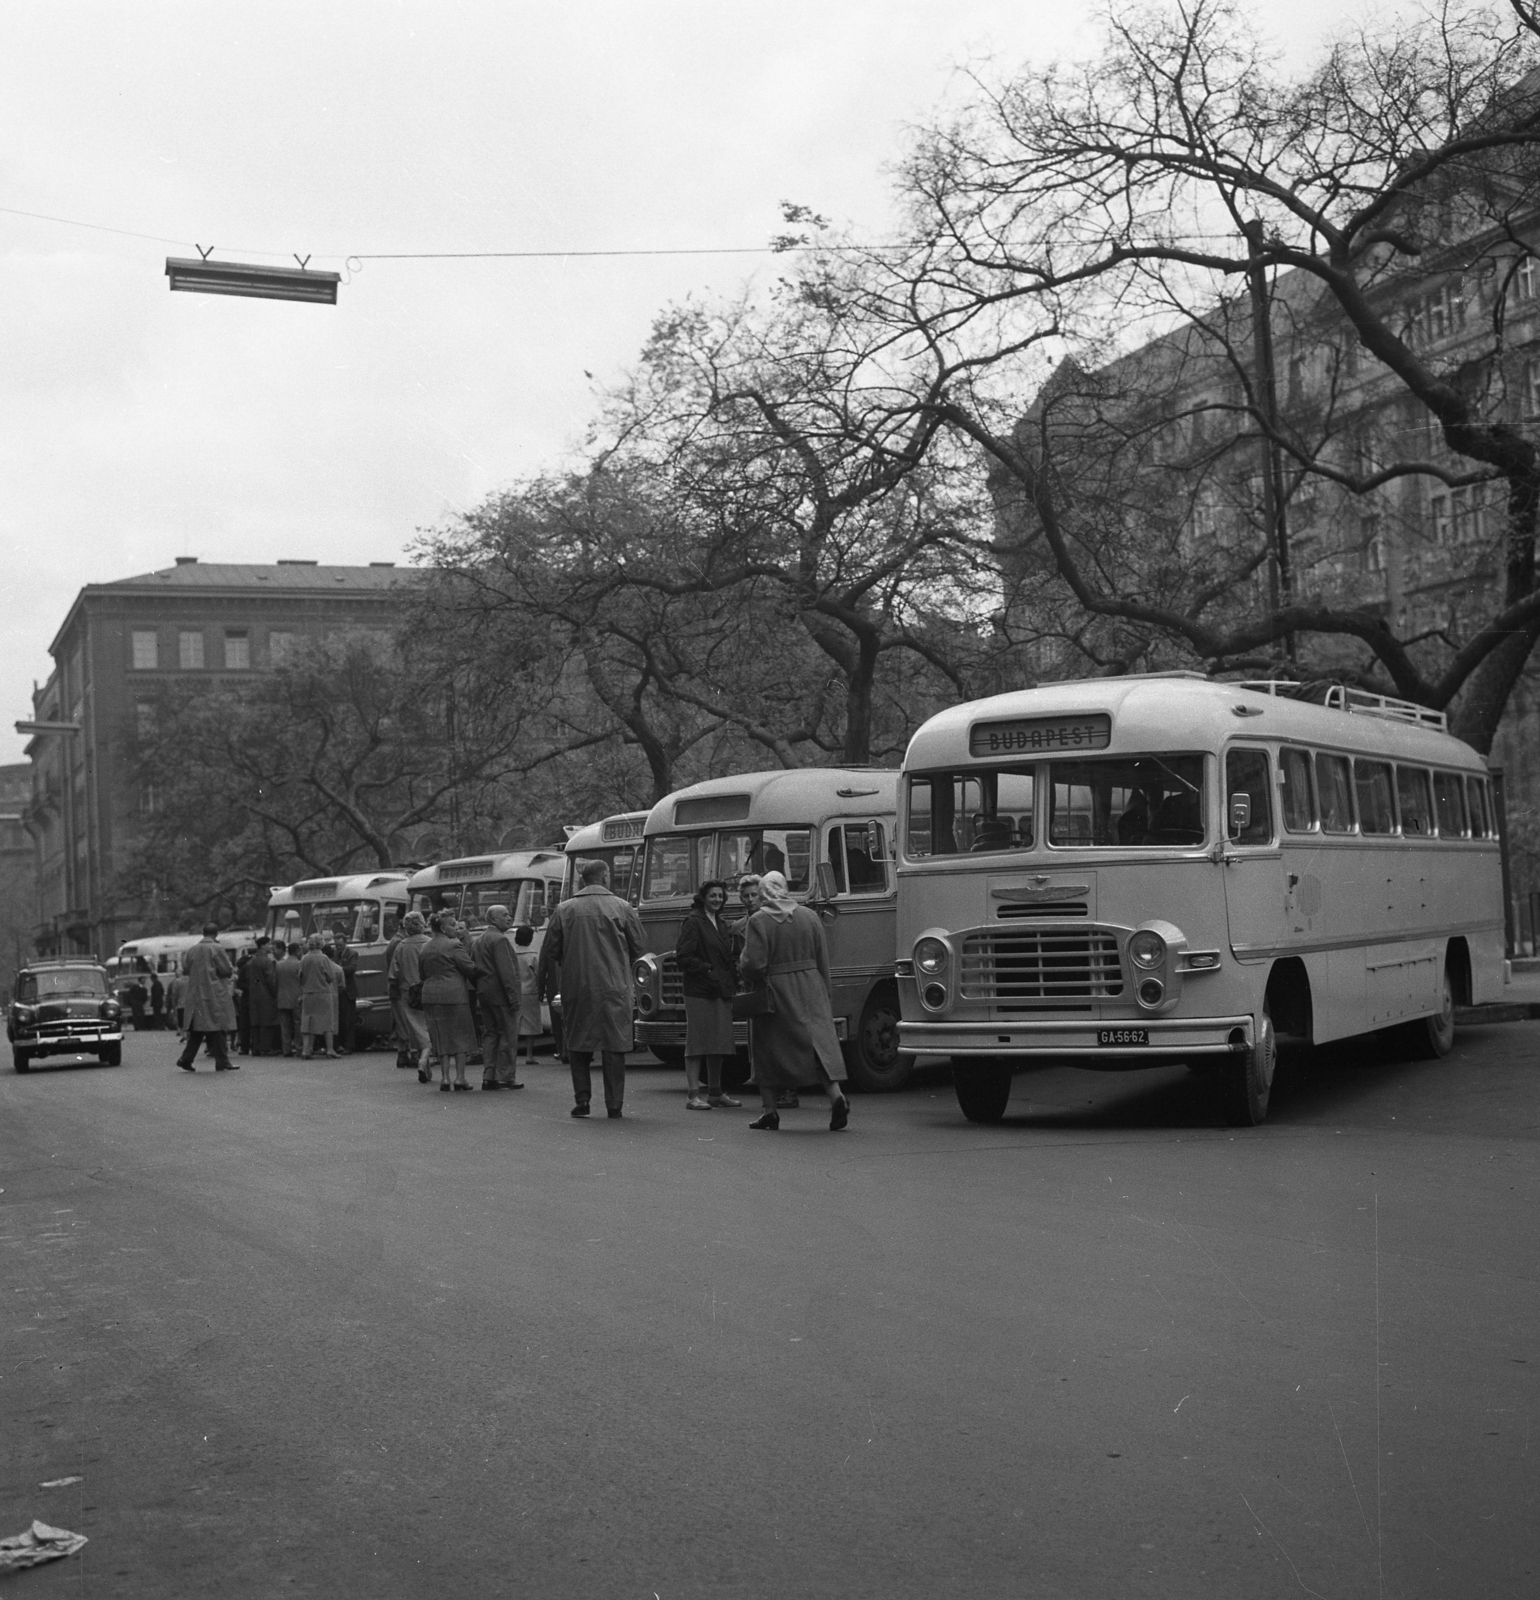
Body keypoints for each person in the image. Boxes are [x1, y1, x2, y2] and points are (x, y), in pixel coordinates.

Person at [737, 870, 850, 1132]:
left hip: (775, 991)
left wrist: (742, 969)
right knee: (817, 1046)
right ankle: (836, 1096)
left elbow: (754, 964)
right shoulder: (809, 916)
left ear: (764, 892)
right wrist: (825, 992)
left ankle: (770, 1111)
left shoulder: (759, 921)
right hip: (811, 987)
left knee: (766, 1049)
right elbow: (823, 958)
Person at [544, 859, 645, 1119]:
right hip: (615, 986)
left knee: (578, 1045)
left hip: (577, 986)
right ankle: (614, 1105)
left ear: (583, 880)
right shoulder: (622, 907)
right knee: (614, 1047)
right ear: (605, 876)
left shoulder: (564, 909)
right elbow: (639, 947)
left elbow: (552, 949)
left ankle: (583, 1100)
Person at [674, 878, 741, 1110]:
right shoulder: (693, 922)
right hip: (700, 991)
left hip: (719, 990)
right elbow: (683, 956)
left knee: (718, 1043)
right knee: (698, 1043)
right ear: (703, 897)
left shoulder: (720, 923)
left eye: (721, 896)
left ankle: (715, 1092)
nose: (717, 900)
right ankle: (693, 1095)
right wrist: (708, 970)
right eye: (713, 896)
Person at [419, 912, 478, 1091]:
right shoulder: (454, 945)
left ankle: (445, 1078)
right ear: (444, 928)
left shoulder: (425, 947)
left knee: (440, 1036)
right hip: (454, 995)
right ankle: (460, 1078)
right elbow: (469, 968)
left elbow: (422, 974)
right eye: (452, 925)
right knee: (460, 1035)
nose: (456, 928)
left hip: (430, 995)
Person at [471, 905, 523, 1090]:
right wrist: (513, 997)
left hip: (484, 994)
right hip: (501, 994)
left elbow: (473, 968)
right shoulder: (500, 940)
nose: (509, 918)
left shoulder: (479, 940)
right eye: (505, 915)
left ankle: (489, 1075)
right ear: (493, 920)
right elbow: (506, 972)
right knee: (508, 1035)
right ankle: (505, 1076)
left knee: (490, 1034)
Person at [176, 923, 237, 1073]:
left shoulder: (192, 950)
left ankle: (186, 1058)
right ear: (216, 934)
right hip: (214, 993)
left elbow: (186, 968)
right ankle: (223, 1061)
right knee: (219, 1025)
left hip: (196, 993)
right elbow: (226, 969)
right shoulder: (217, 948)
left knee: (198, 1028)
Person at [389, 912, 433, 1081]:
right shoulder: (429, 943)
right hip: (429, 988)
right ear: (422, 924)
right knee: (429, 1028)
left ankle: (424, 1064)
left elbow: (394, 974)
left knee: (417, 1028)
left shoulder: (401, 946)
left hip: (408, 992)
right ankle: (424, 1061)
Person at [298, 934, 339, 1059]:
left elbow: (300, 976)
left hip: (308, 993)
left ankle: (306, 1050)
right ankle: (330, 1049)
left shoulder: (304, 958)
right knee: (327, 1022)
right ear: (321, 944)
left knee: (307, 1021)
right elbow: (331, 977)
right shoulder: (324, 958)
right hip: (323, 993)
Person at [511, 924, 542, 1073]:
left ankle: (512, 1054)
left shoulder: (511, 954)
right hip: (530, 992)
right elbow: (538, 975)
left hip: (514, 991)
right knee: (531, 1024)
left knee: (514, 1023)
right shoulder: (533, 955)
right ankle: (529, 1055)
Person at [246, 936, 280, 1056]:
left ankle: (256, 1047)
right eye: (268, 944)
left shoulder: (252, 961)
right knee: (267, 1021)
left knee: (256, 1021)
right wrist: (275, 992)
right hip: (265, 994)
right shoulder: (267, 961)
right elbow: (271, 979)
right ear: (262, 946)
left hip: (254, 993)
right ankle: (265, 1047)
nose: (270, 946)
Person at [332, 924, 359, 1053]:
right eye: (336, 946)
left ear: (345, 943)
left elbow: (351, 969)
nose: (338, 948)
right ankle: (340, 1045)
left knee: (348, 1020)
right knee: (339, 1020)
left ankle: (349, 1045)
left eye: (340, 946)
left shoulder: (352, 953)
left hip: (348, 991)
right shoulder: (334, 954)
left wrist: (337, 970)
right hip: (337, 991)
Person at [274, 943, 303, 1057]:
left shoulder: (279, 964)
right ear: (296, 951)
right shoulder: (299, 964)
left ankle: (286, 1049)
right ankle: (299, 1048)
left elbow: (275, 981)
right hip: (297, 998)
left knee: (285, 1025)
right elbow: (302, 981)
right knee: (298, 1024)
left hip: (282, 997)